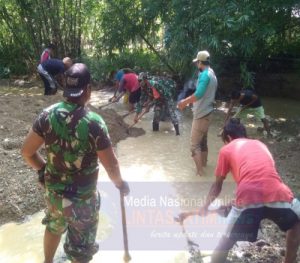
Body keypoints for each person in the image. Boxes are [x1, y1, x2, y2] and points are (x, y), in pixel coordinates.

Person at [21, 63, 130, 263]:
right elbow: (112, 166)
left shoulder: (47, 115)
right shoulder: (94, 123)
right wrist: (120, 184)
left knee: (54, 226)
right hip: (83, 202)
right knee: (80, 250)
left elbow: (27, 152)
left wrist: (43, 170)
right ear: (88, 90)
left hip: (54, 195)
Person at [188, 119, 300, 263]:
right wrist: (234, 201)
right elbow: (265, 178)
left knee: (224, 244)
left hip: (248, 198)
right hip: (280, 195)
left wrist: (204, 207)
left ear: (228, 138)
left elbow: (217, 186)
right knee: (296, 222)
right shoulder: (260, 144)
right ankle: (289, 260)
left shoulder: (226, 149)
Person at [177, 50, 218, 175]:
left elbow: (199, 94)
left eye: (197, 62)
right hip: (208, 113)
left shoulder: (205, 75)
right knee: (203, 143)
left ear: (200, 62)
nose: (196, 65)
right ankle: (204, 166)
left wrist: (184, 102)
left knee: (194, 146)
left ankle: (200, 173)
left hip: (201, 115)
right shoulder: (212, 73)